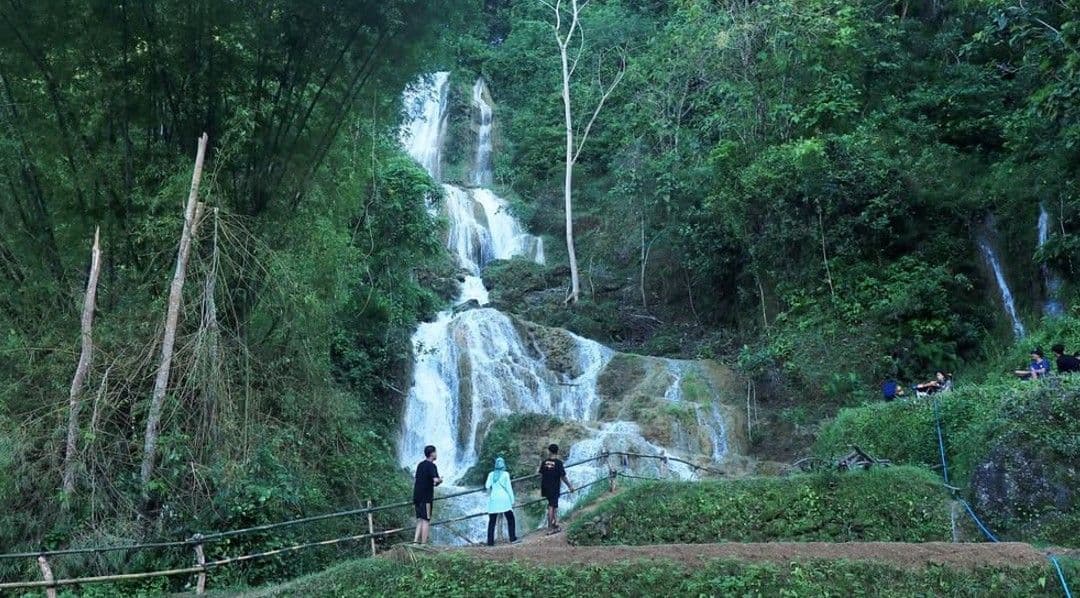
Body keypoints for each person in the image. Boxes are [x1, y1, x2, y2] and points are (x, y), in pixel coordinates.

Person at [539, 444, 574, 534]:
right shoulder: (558, 463)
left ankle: (555, 524)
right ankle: (550, 528)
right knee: (552, 506)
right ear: (557, 452)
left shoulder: (544, 462)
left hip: (545, 487)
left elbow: (541, 474)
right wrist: (570, 486)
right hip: (554, 487)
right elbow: (563, 476)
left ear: (549, 451)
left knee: (552, 505)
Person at [484, 456, 518, 546]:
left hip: (494, 499)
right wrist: (512, 500)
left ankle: (490, 542)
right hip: (504, 499)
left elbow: (487, 486)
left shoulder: (491, 474)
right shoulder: (506, 474)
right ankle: (512, 538)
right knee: (510, 518)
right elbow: (509, 488)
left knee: (492, 521)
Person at [412, 445, 442, 544]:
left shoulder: (420, 464)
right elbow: (435, 480)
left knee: (420, 519)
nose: (436, 454)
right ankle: (424, 544)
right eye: (435, 452)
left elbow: (419, 479)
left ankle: (415, 542)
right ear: (432, 454)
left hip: (417, 496)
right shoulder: (432, 466)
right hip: (426, 497)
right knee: (426, 520)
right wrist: (440, 480)